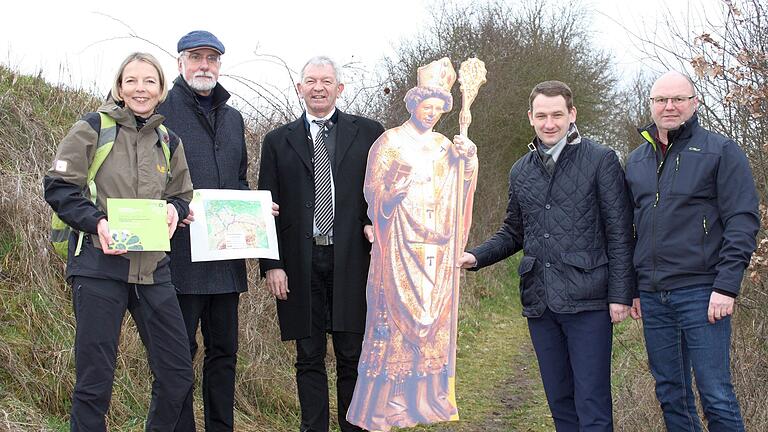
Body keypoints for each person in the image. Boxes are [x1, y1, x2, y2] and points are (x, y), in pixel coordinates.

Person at [457, 80, 635, 431]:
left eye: (557, 114)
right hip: (540, 302)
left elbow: (619, 232)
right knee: (559, 401)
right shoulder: (521, 170)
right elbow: (514, 232)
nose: (549, 123)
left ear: (572, 115)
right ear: (530, 118)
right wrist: (475, 257)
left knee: (592, 402)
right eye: (542, 116)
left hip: (589, 301)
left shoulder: (601, 160)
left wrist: (620, 295)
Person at [43, 52, 194, 431]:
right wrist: (98, 224)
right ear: (120, 86)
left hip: (153, 271)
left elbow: (181, 193)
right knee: (95, 382)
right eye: (132, 81)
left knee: (177, 375)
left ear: (161, 90)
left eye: (149, 81)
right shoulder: (92, 128)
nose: (140, 89)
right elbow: (60, 187)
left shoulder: (169, 141)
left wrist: (176, 210)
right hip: (98, 266)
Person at [346, 58, 478, 431]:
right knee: (394, 325)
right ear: (413, 105)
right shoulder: (389, 142)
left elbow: (461, 185)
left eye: (439, 109)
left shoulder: (443, 145)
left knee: (431, 324)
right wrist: (390, 195)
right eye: (427, 107)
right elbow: (372, 191)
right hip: (399, 247)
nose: (433, 115)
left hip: (436, 248)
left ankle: (425, 399)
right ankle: (388, 403)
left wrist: (468, 160)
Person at [625, 71, 759, 432]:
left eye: (678, 99)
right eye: (661, 100)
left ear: (694, 103)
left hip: (703, 292)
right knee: (671, 392)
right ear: (651, 105)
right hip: (653, 296)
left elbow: (742, 221)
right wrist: (634, 288)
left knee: (715, 392)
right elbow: (630, 230)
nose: (669, 106)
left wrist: (727, 286)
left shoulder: (720, 151)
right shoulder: (637, 159)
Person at [257, 56, 385, 432]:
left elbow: (385, 191)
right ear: (300, 88)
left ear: (339, 88)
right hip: (299, 260)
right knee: (308, 355)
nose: (318, 87)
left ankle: (354, 427)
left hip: (354, 258)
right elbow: (266, 205)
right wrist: (272, 264)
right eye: (310, 80)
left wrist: (371, 223)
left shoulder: (369, 133)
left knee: (352, 353)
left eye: (326, 81)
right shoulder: (278, 141)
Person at [157, 30, 248, 432]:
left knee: (224, 353)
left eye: (212, 59)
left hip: (226, 258)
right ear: (180, 63)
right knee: (178, 356)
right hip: (178, 258)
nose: (204, 65)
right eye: (196, 57)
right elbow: (147, 180)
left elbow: (239, 180)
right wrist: (171, 207)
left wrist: (255, 209)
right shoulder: (161, 111)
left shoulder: (233, 117)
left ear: (220, 66)